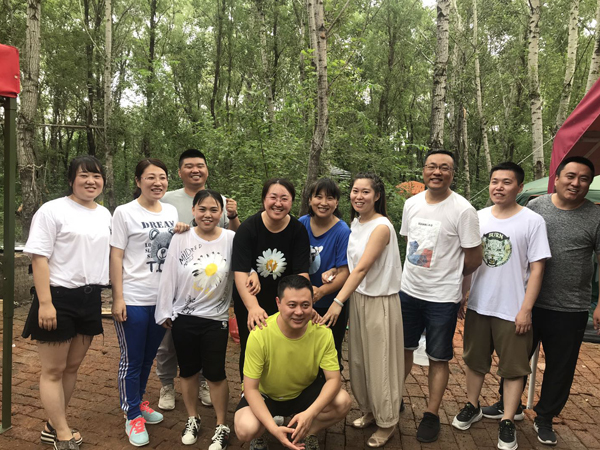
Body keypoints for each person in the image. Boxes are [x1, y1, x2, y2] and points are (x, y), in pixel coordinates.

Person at [481, 156, 600, 446]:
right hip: (525, 301)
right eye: (570, 176)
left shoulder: (596, 216)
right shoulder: (536, 207)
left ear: (589, 183)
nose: (575, 183)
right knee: (515, 358)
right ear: (556, 179)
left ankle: (545, 416)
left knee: (561, 365)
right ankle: (508, 406)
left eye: (584, 178)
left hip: (570, 305)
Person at [451, 162, 551, 450]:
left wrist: (526, 309)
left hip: (513, 309)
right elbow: (469, 261)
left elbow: (537, 269)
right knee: (474, 360)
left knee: (514, 367)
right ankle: (472, 405)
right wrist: (463, 294)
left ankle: (508, 419)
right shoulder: (478, 217)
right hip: (479, 304)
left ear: (519, 187)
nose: (499, 187)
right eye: (495, 181)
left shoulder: (532, 221)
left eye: (507, 182)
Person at [22, 156, 112, 450]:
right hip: (57, 298)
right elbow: (39, 257)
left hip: (90, 297)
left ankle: (53, 424)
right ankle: (62, 432)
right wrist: (45, 303)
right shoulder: (52, 211)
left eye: (96, 176)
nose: (91, 181)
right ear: (71, 179)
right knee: (53, 370)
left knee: (72, 367)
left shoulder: (105, 214)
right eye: (84, 175)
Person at [400, 149, 482, 443]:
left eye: (444, 167)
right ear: (424, 170)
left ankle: (431, 414)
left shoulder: (463, 210)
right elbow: (411, 245)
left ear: (452, 173)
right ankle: (394, 399)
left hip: (443, 298)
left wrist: (452, 278)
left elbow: (474, 258)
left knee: (438, 356)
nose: (437, 172)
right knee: (404, 349)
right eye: (432, 166)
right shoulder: (411, 204)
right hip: (408, 291)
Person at [319, 172, 404, 448]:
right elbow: (353, 263)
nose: (358, 196)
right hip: (358, 298)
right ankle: (370, 410)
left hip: (380, 301)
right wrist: (335, 270)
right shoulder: (356, 223)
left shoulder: (381, 227)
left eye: (365, 192)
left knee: (381, 363)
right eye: (355, 191)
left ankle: (387, 420)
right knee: (360, 360)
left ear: (377, 196)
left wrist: (337, 301)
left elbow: (364, 268)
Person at [111, 158, 188, 447]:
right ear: (138, 181)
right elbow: (116, 255)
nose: (158, 183)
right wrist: (118, 297)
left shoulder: (170, 210)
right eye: (151, 177)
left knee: (147, 357)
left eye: (162, 177)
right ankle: (131, 415)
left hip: (162, 300)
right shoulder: (124, 212)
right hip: (133, 297)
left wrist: (181, 229)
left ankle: (139, 402)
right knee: (131, 359)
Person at [156, 189, 242, 450]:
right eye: (202, 209)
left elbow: (242, 270)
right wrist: (164, 310)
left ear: (221, 213)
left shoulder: (231, 239)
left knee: (215, 373)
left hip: (216, 317)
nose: (207, 215)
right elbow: (169, 274)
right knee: (188, 370)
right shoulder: (181, 237)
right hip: (184, 316)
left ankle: (221, 425)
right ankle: (192, 418)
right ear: (193, 211)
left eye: (214, 210)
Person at [234, 275, 351, 450]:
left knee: (343, 401)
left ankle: (306, 431)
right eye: (292, 305)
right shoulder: (260, 334)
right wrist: (273, 429)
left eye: (305, 305)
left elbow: (334, 380)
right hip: (267, 395)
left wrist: (310, 414)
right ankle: (264, 431)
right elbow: (250, 389)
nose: (299, 312)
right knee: (245, 428)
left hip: (302, 393)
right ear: (278, 303)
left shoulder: (322, 333)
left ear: (312, 304)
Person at [232, 178, 310, 379]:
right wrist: (253, 307)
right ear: (264, 199)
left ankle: (281, 391)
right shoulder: (248, 229)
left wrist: (302, 304)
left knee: (284, 346)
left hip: (285, 302)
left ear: (291, 201)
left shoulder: (298, 230)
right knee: (252, 346)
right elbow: (240, 271)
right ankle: (248, 392)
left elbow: (301, 272)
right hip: (251, 299)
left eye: (284, 198)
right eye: (273, 197)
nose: (278, 203)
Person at [299, 178, 351, 366]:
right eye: (318, 197)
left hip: (331, 305)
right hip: (302, 303)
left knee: (329, 352)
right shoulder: (301, 224)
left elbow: (345, 272)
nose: (323, 202)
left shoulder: (342, 231)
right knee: (302, 350)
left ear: (336, 202)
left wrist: (320, 292)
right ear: (310, 200)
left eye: (329, 198)